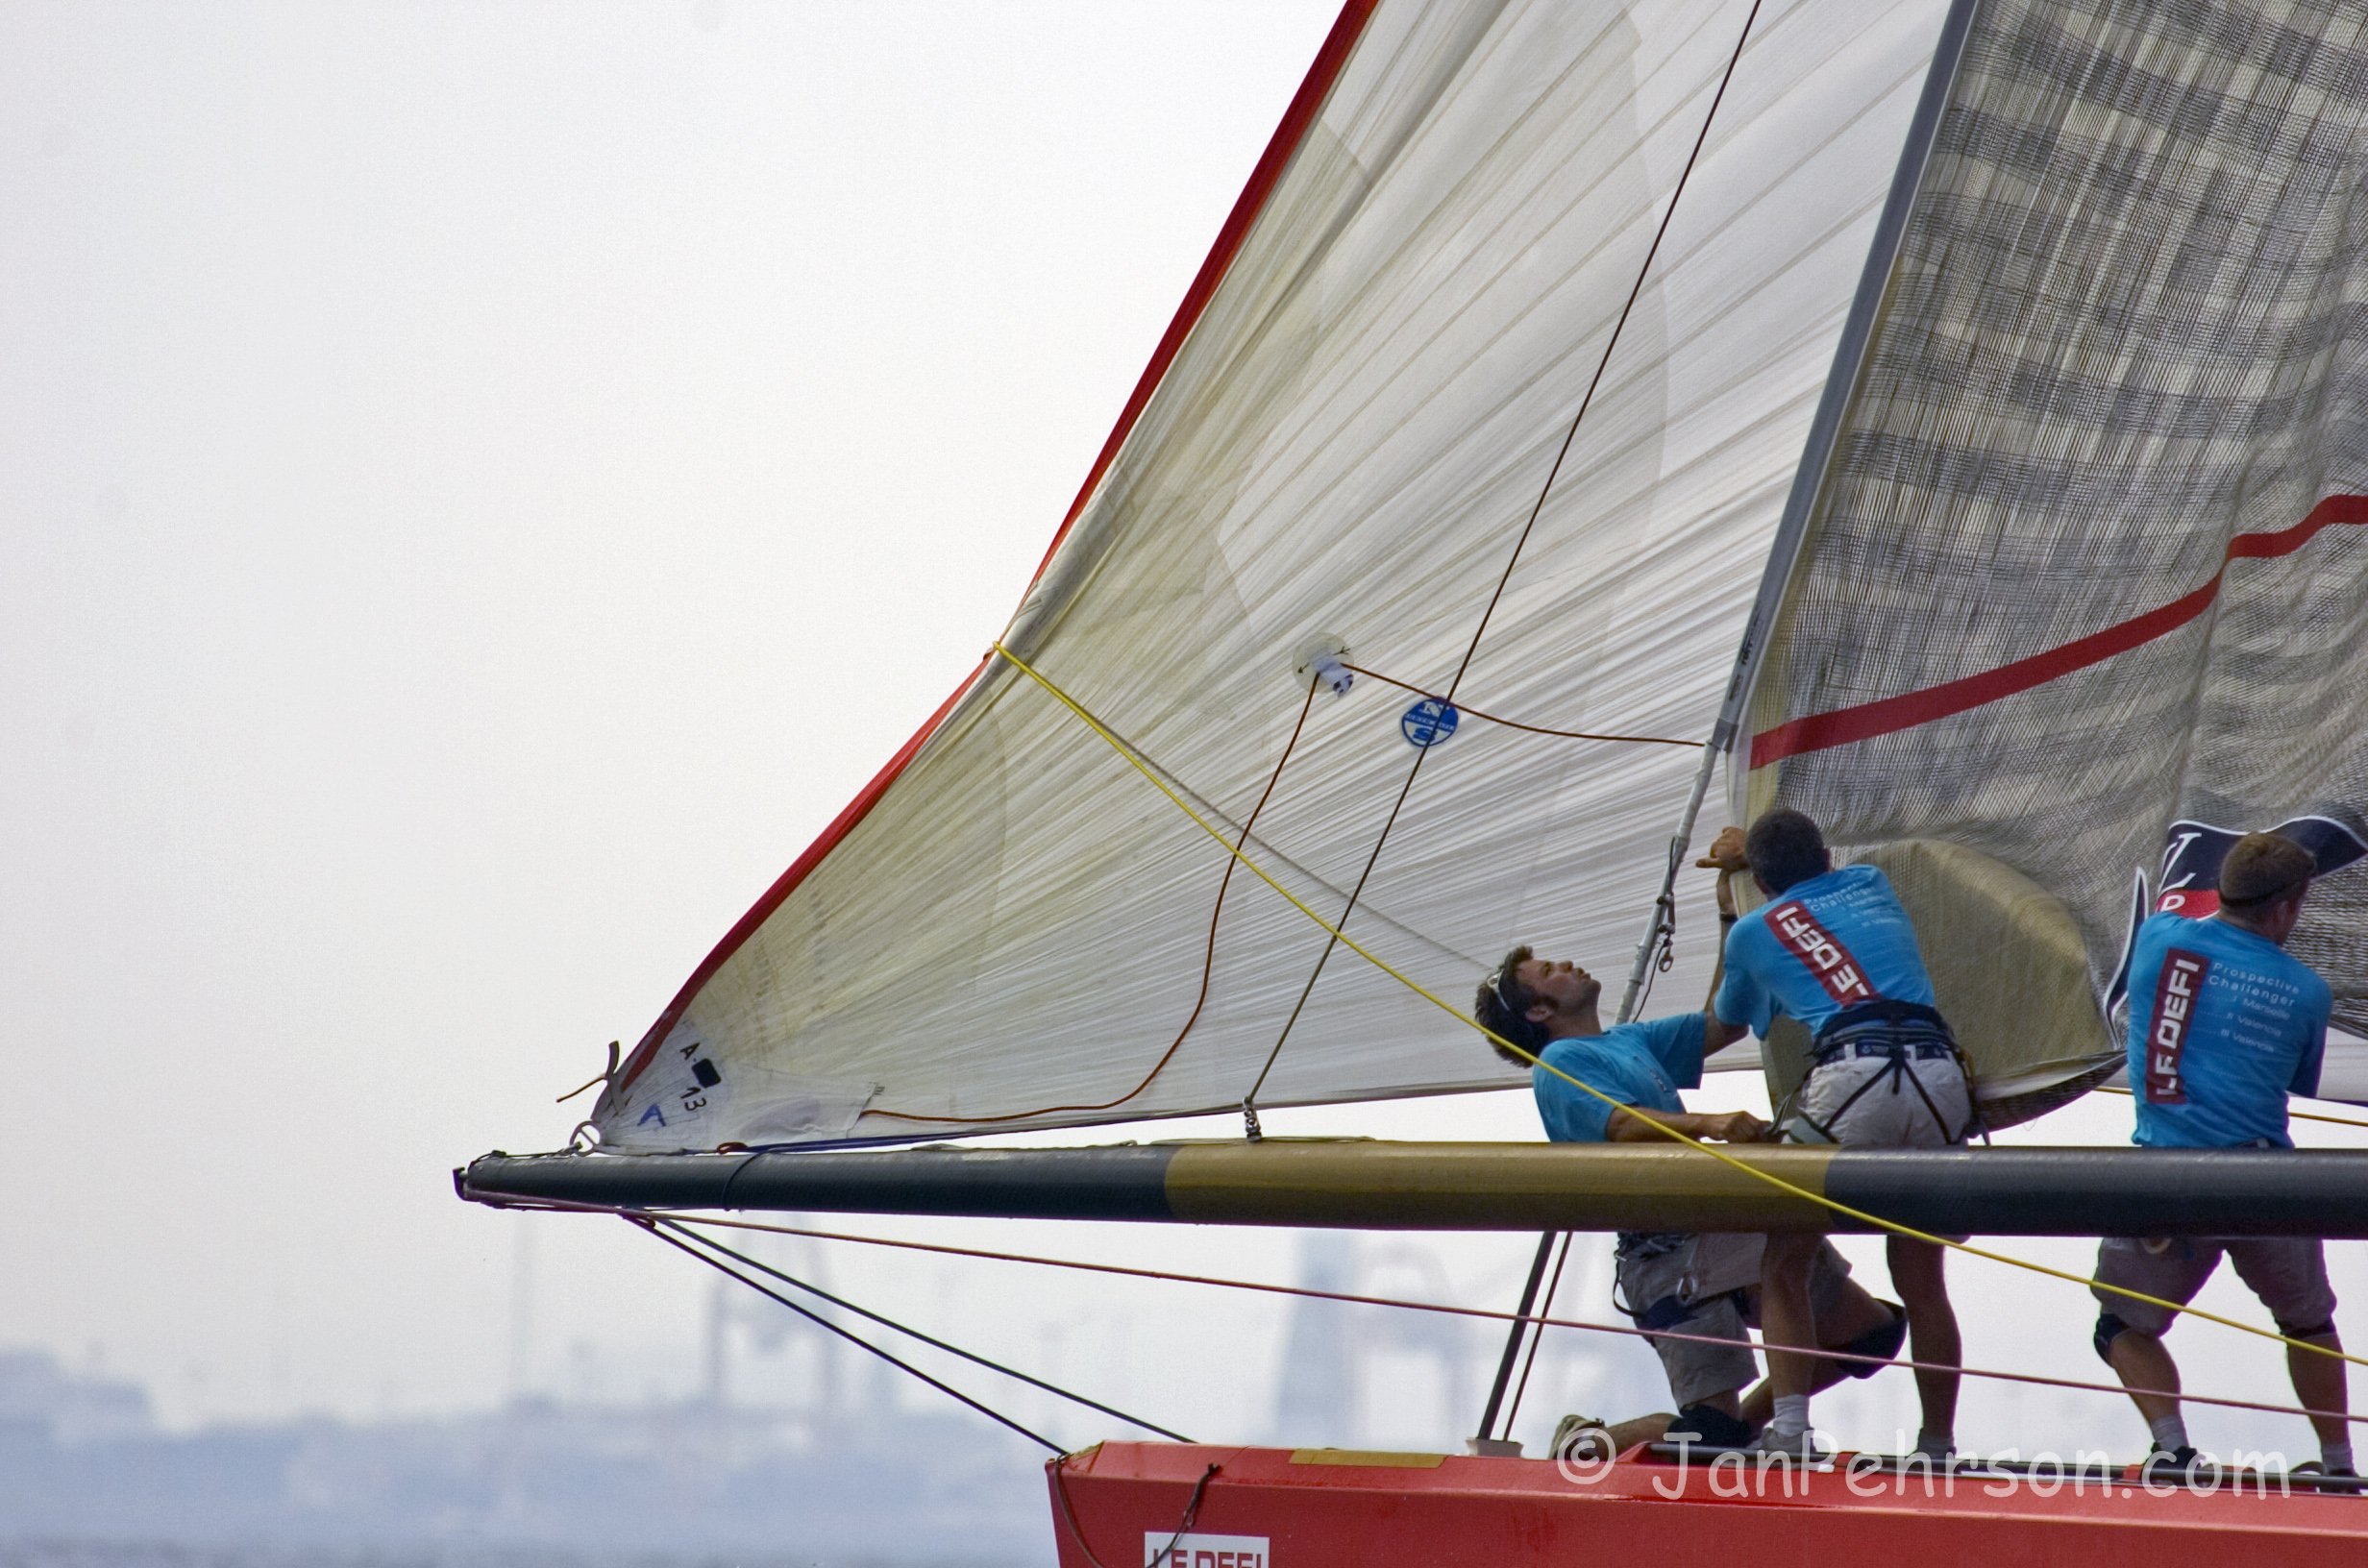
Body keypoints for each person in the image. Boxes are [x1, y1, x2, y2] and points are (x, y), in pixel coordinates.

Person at [1475, 858, 1908, 1458]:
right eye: (1550, 970)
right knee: (1708, 1434)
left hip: (1718, 1225)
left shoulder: (1625, 1042)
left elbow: (1720, 1021)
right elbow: (1622, 1124)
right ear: (1539, 1013)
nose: (1567, 964)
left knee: (1871, 1335)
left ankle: (1763, 1430)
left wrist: (1729, 901)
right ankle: (1596, 1443)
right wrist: (1710, 1123)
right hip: (1669, 1257)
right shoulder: (1561, 1065)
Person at [1699, 807, 1973, 1461]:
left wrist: (1730, 907)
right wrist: (1758, 863)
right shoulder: (1872, 883)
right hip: (1940, 1077)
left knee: (1785, 1261)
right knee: (1921, 1275)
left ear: (1761, 883)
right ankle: (1937, 1444)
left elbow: (1723, 1025)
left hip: (1854, 1076)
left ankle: (1789, 1432)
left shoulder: (1755, 929)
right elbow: (1817, 881)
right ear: (1825, 858)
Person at [2092, 830, 2351, 1482]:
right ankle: (2341, 1464)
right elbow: (2297, 1075)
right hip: (2265, 1180)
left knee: (2119, 1325)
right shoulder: (2306, 991)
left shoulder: (2157, 939)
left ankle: (2174, 1449)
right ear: (2287, 907)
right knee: (2308, 1323)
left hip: (2166, 1179)